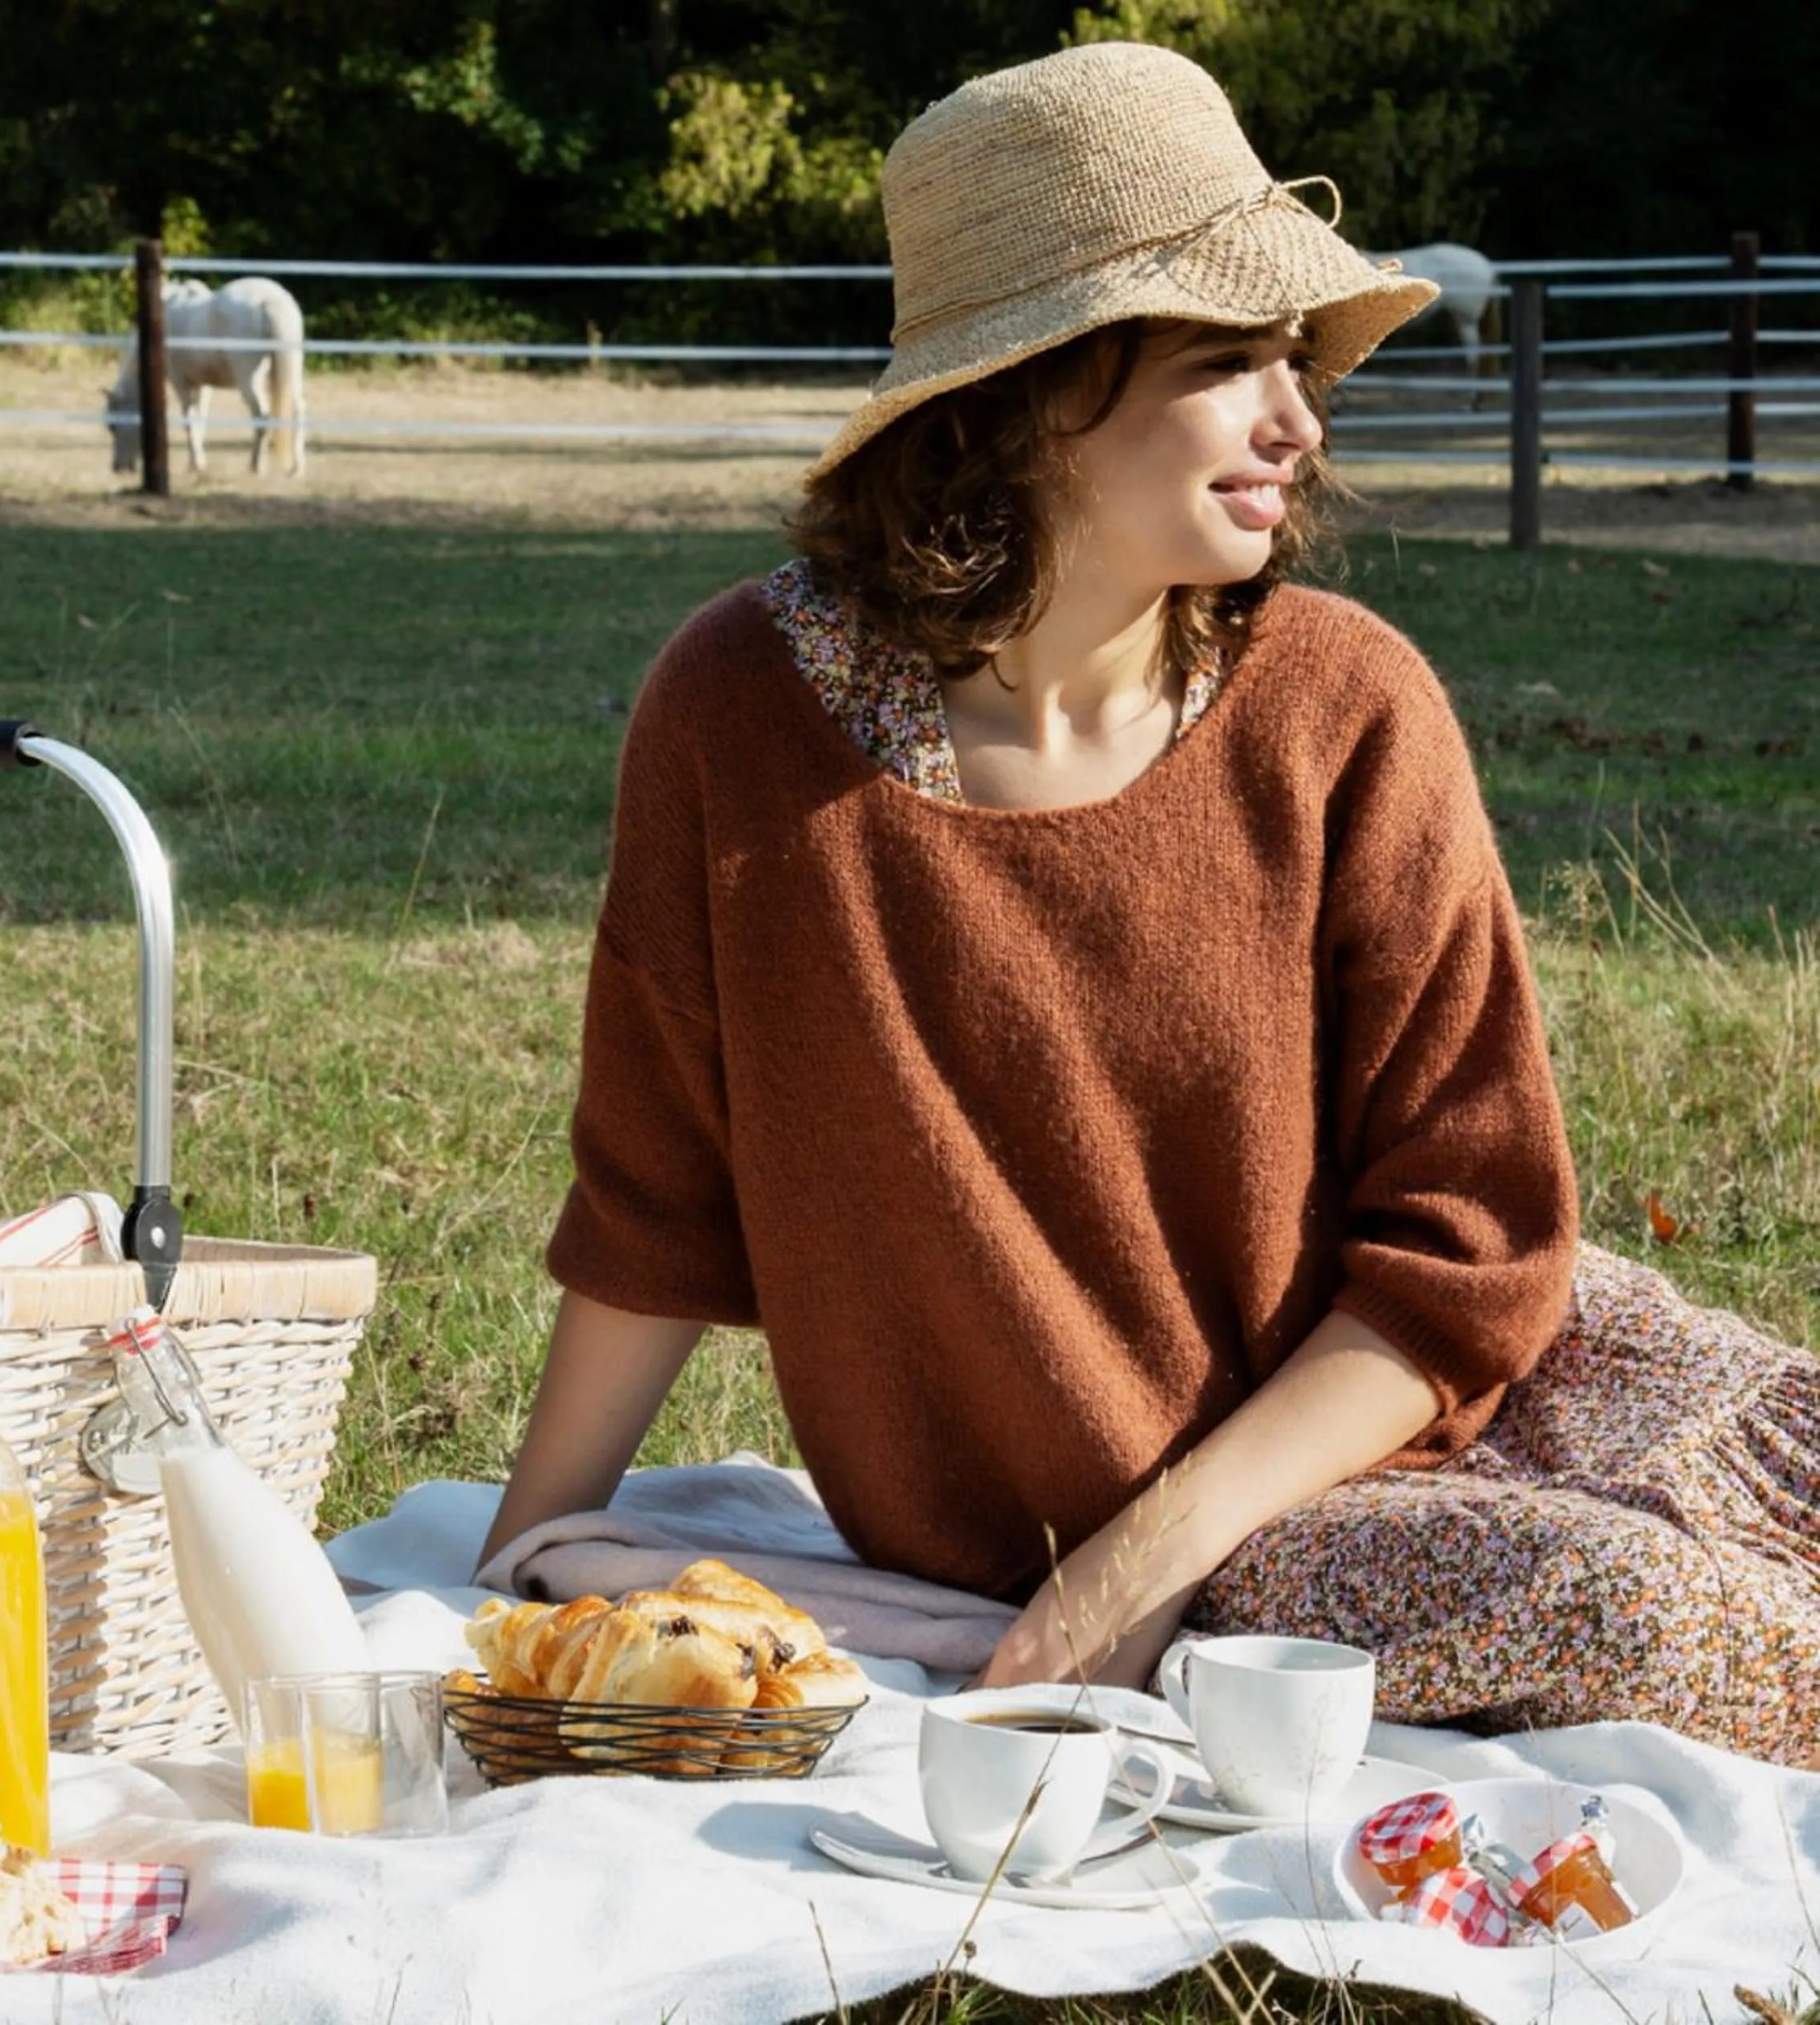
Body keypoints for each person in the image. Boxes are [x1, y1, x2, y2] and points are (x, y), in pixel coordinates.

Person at [480, 41, 1820, 1761]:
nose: (1300, 421)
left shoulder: (1347, 704)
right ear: (1034, 393)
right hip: (1286, 1538)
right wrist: (516, 1566)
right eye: (1226, 362)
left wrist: (1133, 1567)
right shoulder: (740, 712)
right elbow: (659, 1189)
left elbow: (1474, 1248)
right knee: (1652, 1618)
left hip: (1421, 1384)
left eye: (1296, 360)